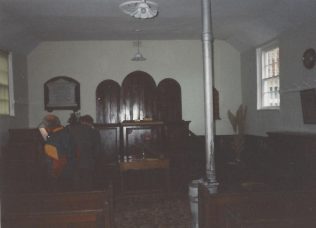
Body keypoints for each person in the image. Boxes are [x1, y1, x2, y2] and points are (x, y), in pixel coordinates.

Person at [39, 114, 76, 191]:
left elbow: (52, 160)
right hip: (71, 170)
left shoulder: (52, 138)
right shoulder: (67, 131)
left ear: (48, 126)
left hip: (59, 172)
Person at [67, 114, 101, 190]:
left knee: (75, 186)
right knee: (88, 186)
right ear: (90, 123)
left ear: (81, 121)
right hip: (88, 163)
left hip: (73, 162)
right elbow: (97, 150)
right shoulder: (94, 132)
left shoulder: (70, 130)